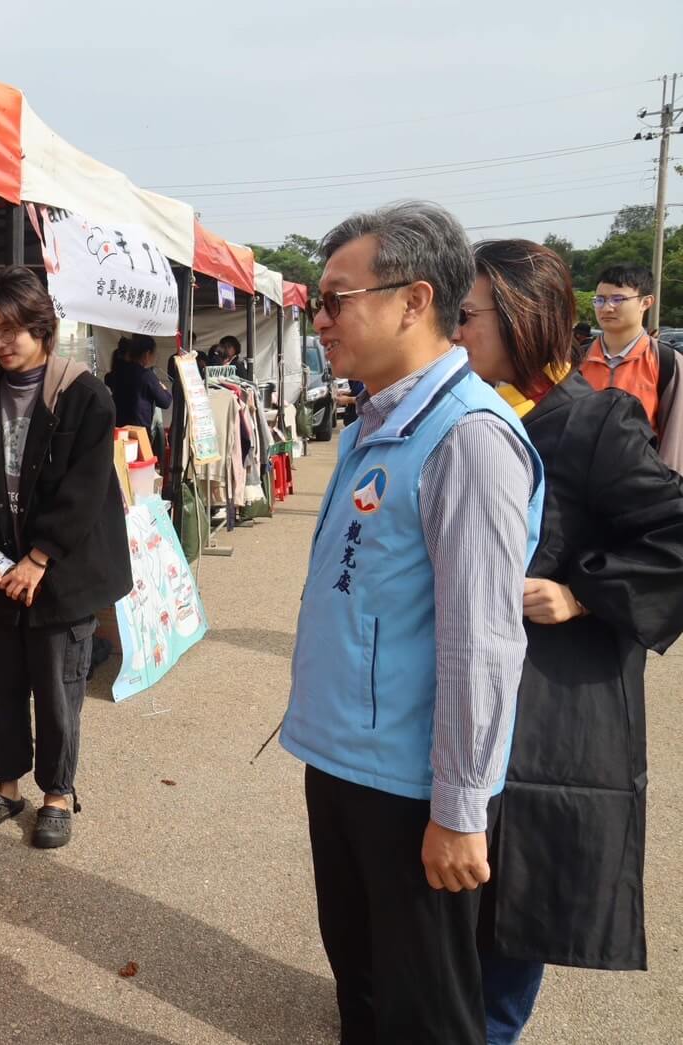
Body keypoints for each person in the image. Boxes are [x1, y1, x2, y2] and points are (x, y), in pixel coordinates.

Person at [279, 202, 545, 1045]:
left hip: (409, 785)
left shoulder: (465, 437)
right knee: (360, 991)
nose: (319, 322)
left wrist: (461, 808)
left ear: (412, 299)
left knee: (426, 1014)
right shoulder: (375, 419)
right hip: (343, 760)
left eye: (335, 300)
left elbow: (482, 641)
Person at [454, 240, 683, 1045]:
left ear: (520, 314)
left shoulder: (591, 418)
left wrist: (580, 593)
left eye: (466, 314)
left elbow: (673, 534)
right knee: (451, 875)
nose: (454, 331)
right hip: (459, 692)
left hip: (548, 698)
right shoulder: (460, 414)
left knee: (517, 888)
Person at [0, 266, 131, 850]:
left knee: (57, 684)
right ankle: (4, 785)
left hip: (61, 571)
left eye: (11, 329)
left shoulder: (85, 395)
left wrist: (41, 557)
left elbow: (86, 488)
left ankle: (56, 793)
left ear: (42, 327)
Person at [580, 264, 683, 471]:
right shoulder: (575, 359)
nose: (606, 307)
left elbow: (675, 443)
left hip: (641, 489)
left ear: (646, 302)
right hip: (577, 487)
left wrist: (665, 494)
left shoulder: (667, 362)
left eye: (618, 299)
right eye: (600, 299)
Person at [104, 334, 173, 431]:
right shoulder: (146, 375)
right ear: (147, 354)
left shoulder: (118, 371)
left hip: (118, 427)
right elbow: (165, 402)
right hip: (139, 430)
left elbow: (107, 379)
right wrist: (164, 389)